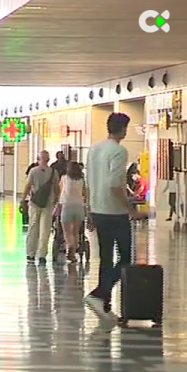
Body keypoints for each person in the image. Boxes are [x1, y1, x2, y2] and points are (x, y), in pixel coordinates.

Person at [84, 113, 147, 323]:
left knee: (105, 258)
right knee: (126, 259)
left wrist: (89, 209)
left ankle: (104, 304)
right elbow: (113, 185)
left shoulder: (94, 149)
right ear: (123, 129)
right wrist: (131, 210)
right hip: (115, 213)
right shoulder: (119, 151)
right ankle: (99, 293)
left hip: (98, 210)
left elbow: (89, 182)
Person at [21, 150, 60, 265]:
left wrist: (22, 200)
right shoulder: (54, 172)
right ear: (48, 160)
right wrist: (55, 201)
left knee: (33, 227)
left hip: (34, 203)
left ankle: (30, 253)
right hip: (48, 204)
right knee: (45, 229)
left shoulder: (33, 171)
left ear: (38, 159)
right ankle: (42, 255)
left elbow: (28, 186)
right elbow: (57, 189)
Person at [58, 161, 86, 263]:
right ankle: (73, 254)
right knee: (75, 232)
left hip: (67, 206)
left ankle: (70, 245)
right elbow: (85, 193)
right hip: (79, 206)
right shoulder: (82, 180)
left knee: (67, 232)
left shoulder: (64, 178)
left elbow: (60, 191)